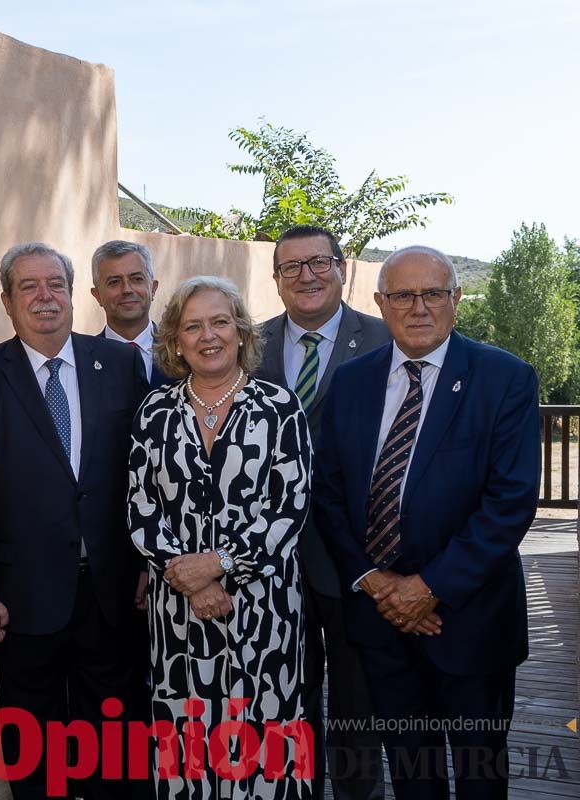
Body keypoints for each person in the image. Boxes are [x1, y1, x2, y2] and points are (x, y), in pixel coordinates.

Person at [314, 246, 539, 800]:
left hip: (471, 620)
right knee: (412, 774)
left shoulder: (505, 378)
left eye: (433, 293)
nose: (418, 307)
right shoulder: (350, 382)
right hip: (381, 619)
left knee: (479, 774)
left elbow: (509, 501)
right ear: (379, 303)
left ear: (456, 300)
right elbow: (328, 493)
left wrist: (429, 587)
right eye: (402, 295)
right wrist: (373, 581)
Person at [0, 242, 149, 799]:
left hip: (112, 591)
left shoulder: (121, 365)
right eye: (28, 287)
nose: (44, 297)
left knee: (112, 736)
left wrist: (148, 562)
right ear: (7, 302)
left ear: (73, 296)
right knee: (34, 743)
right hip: (24, 596)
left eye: (55, 284)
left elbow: (145, 477)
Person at [129, 275, 313, 800]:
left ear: (240, 332)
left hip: (263, 610)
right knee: (187, 742)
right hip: (178, 614)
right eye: (193, 326)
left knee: (266, 741)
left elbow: (289, 509)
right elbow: (140, 507)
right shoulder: (154, 412)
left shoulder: (279, 407)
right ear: (175, 339)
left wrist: (220, 564)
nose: (207, 335)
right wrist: (190, 578)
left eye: (219, 322)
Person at [255, 225, 388, 800]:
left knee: (359, 699)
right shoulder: (245, 344)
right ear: (277, 278)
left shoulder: (388, 340)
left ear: (343, 269)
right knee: (286, 694)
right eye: (291, 267)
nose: (306, 275)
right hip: (267, 561)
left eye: (319, 262)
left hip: (359, 556)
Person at [90, 239, 169, 389]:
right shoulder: (82, 361)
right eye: (114, 282)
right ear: (97, 295)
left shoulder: (181, 352)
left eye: (137, 279)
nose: (127, 289)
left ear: (153, 289)